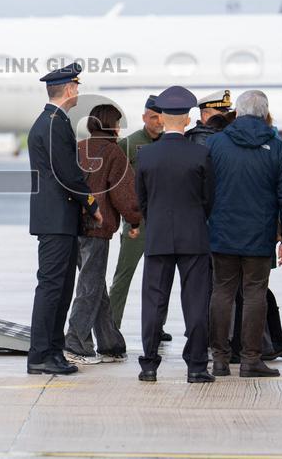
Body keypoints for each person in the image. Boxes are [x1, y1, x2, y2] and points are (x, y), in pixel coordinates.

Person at [207, 89, 282, 378]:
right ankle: (250, 361)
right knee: (254, 294)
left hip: (221, 233)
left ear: (237, 111)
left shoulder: (215, 144)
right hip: (259, 236)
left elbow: (203, 188)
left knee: (221, 291)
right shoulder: (277, 146)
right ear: (265, 112)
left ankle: (220, 360)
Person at [135, 86, 215, 384]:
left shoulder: (146, 155)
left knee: (154, 302)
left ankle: (149, 365)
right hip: (193, 235)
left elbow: (141, 199)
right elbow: (209, 199)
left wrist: (154, 220)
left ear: (162, 117)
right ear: (187, 118)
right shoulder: (200, 154)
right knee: (195, 302)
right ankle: (196, 366)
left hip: (157, 235)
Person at [26, 62, 102, 375]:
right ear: (69, 89)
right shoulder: (54, 123)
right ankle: (41, 355)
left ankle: (52, 352)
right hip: (56, 218)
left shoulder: (51, 120)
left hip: (58, 219)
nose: (78, 92)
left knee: (60, 288)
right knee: (52, 288)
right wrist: (91, 202)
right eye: (77, 87)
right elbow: (67, 173)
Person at [63, 104, 141, 365]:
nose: (119, 128)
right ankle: (75, 342)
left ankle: (110, 343)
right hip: (97, 227)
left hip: (73, 226)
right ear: (110, 125)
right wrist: (135, 220)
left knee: (94, 284)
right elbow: (124, 194)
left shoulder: (78, 148)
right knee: (90, 286)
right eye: (117, 123)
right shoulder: (113, 153)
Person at [109, 96, 168, 341]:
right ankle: (111, 328)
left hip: (164, 220)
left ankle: (157, 326)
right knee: (124, 275)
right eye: (153, 117)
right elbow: (115, 182)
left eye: (161, 117)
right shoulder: (130, 144)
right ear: (144, 118)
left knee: (161, 279)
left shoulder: (171, 143)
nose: (158, 122)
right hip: (137, 222)